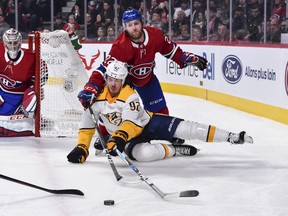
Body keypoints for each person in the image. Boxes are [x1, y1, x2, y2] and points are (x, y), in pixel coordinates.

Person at [67, 60, 253, 164]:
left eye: (118, 79)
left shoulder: (130, 96)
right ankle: (174, 150)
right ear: (106, 78)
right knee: (144, 155)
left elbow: (130, 124)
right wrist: (82, 147)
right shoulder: (96, 98)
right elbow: (87, 124)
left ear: (123, 80)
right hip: (128, 138)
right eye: (111, 79)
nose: (114, 83)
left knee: (190, 129)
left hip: (148, 124)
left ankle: (231, 136)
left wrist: (118, 138)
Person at [77, 8, 208, 151]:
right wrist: (91, 85)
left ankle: (167, 132)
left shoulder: (155, 35)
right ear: (125, 27)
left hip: (147, 78)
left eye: (136, 23)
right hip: (127, 82)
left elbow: (172, 51)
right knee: (113, 108)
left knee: (160, 111)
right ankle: (104, 135)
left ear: (141, 23)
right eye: (130, 25)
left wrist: (186, 58)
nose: (134, 27)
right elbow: (104, 69)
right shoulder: (121, 46)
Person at [0, 28, 47, 136]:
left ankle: (25, 115)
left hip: (17, 98)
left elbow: (44, 74)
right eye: (10, 43)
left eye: (15, 42)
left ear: (20, 42)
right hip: (2, 93)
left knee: (33, 98)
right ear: (5, 43)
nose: (13, 46)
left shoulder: (30, 57)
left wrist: (35, 88)